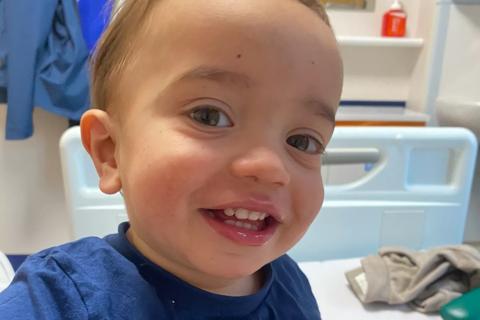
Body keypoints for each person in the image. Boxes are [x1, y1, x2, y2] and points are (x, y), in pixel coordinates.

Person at [0, 0, 343, 318]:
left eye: (302, 141)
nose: (270, 168)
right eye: (209, 116)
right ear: (110, 152)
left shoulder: (292, 287)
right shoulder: (54, 301)